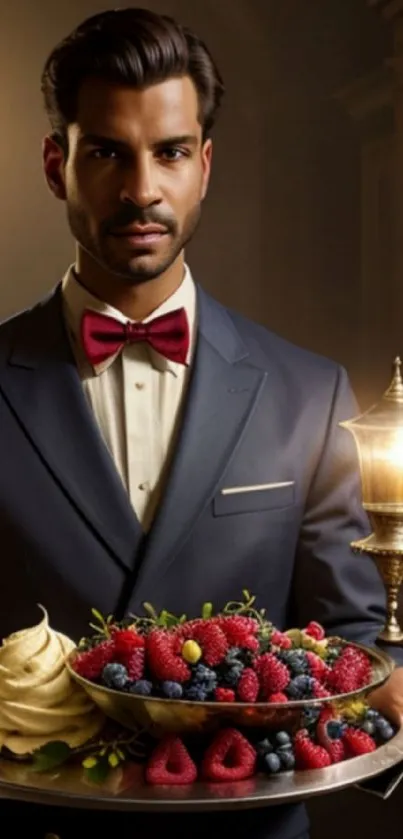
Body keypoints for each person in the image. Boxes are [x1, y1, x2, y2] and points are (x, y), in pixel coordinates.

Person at [0, 7, 402, 839]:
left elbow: (355, 641)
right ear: (56, 163)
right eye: (107, 151)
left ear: (205, 166)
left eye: (171, 152)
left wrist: (384, 684)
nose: (141, 188)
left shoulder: (307, 391)